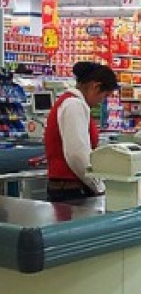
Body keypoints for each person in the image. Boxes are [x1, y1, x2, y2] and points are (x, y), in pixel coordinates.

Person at [45, 62, 119, 203]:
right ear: (95, 86)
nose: (101, 101)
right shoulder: (74, 105)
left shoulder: (71, 103)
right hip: (71, 190)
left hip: (69, 188)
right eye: (105, 95)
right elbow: (77, 154)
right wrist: (99, 186)